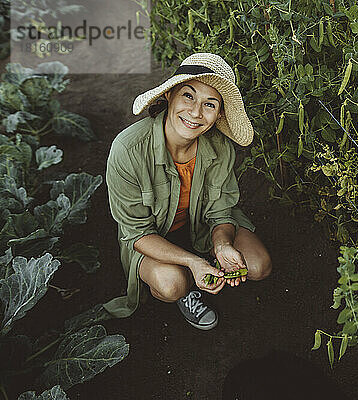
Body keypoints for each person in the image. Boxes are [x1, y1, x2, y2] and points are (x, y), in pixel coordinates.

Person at [102, 53, 272, 330]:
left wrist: (222, 244)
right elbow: (137, 233)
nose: (195, 112)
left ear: (218, 115)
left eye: (209, 104)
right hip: (151, 235)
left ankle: (205, 260)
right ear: (169, 96)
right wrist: (193, 262)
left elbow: (220, 211)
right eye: (188, 96)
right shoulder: (128, 150)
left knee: (258, 266)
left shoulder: (220, 147)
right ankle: (189, 284)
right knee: (172, 285)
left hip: (199, 224)